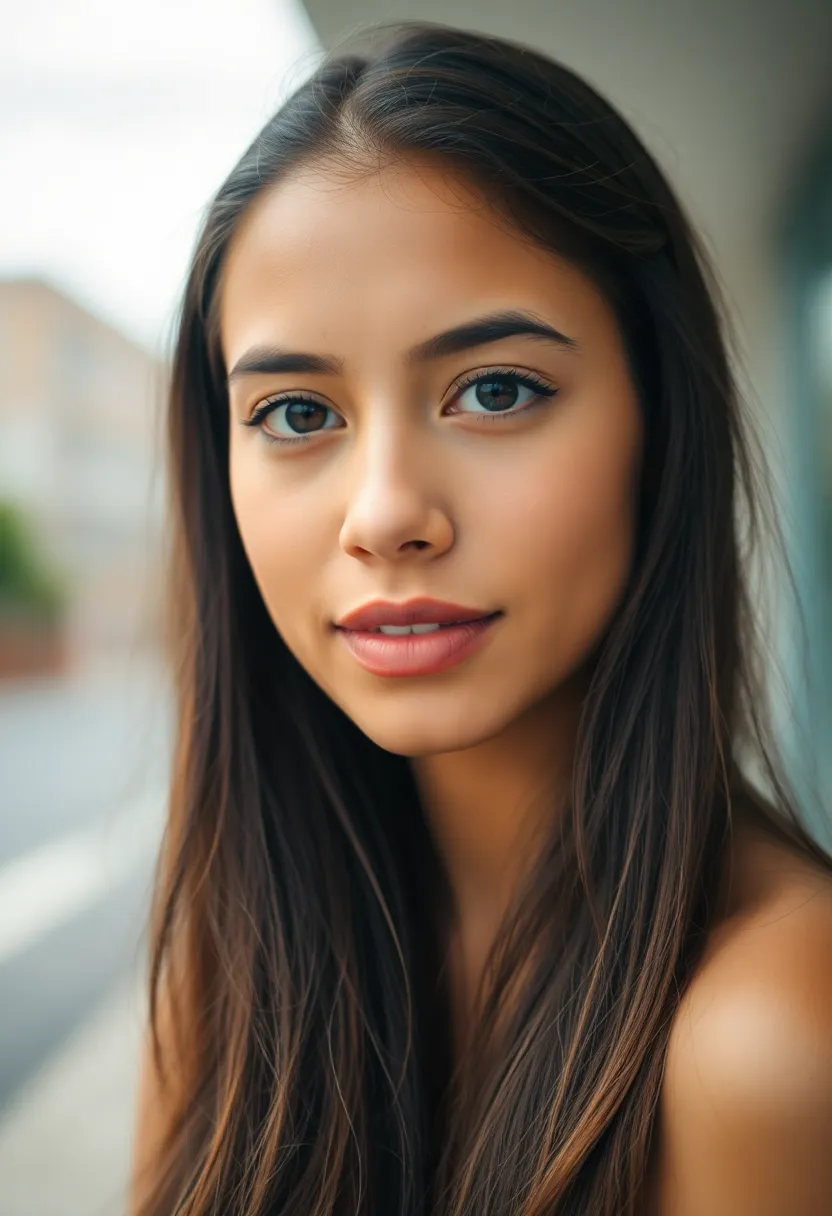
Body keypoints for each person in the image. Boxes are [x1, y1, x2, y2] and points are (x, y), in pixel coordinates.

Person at [130, 21, 832, 1216]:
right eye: (297, 414)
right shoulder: (229, 969)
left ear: (660, 426)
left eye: (495, 390)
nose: (388, 513)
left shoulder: (770, 1034)